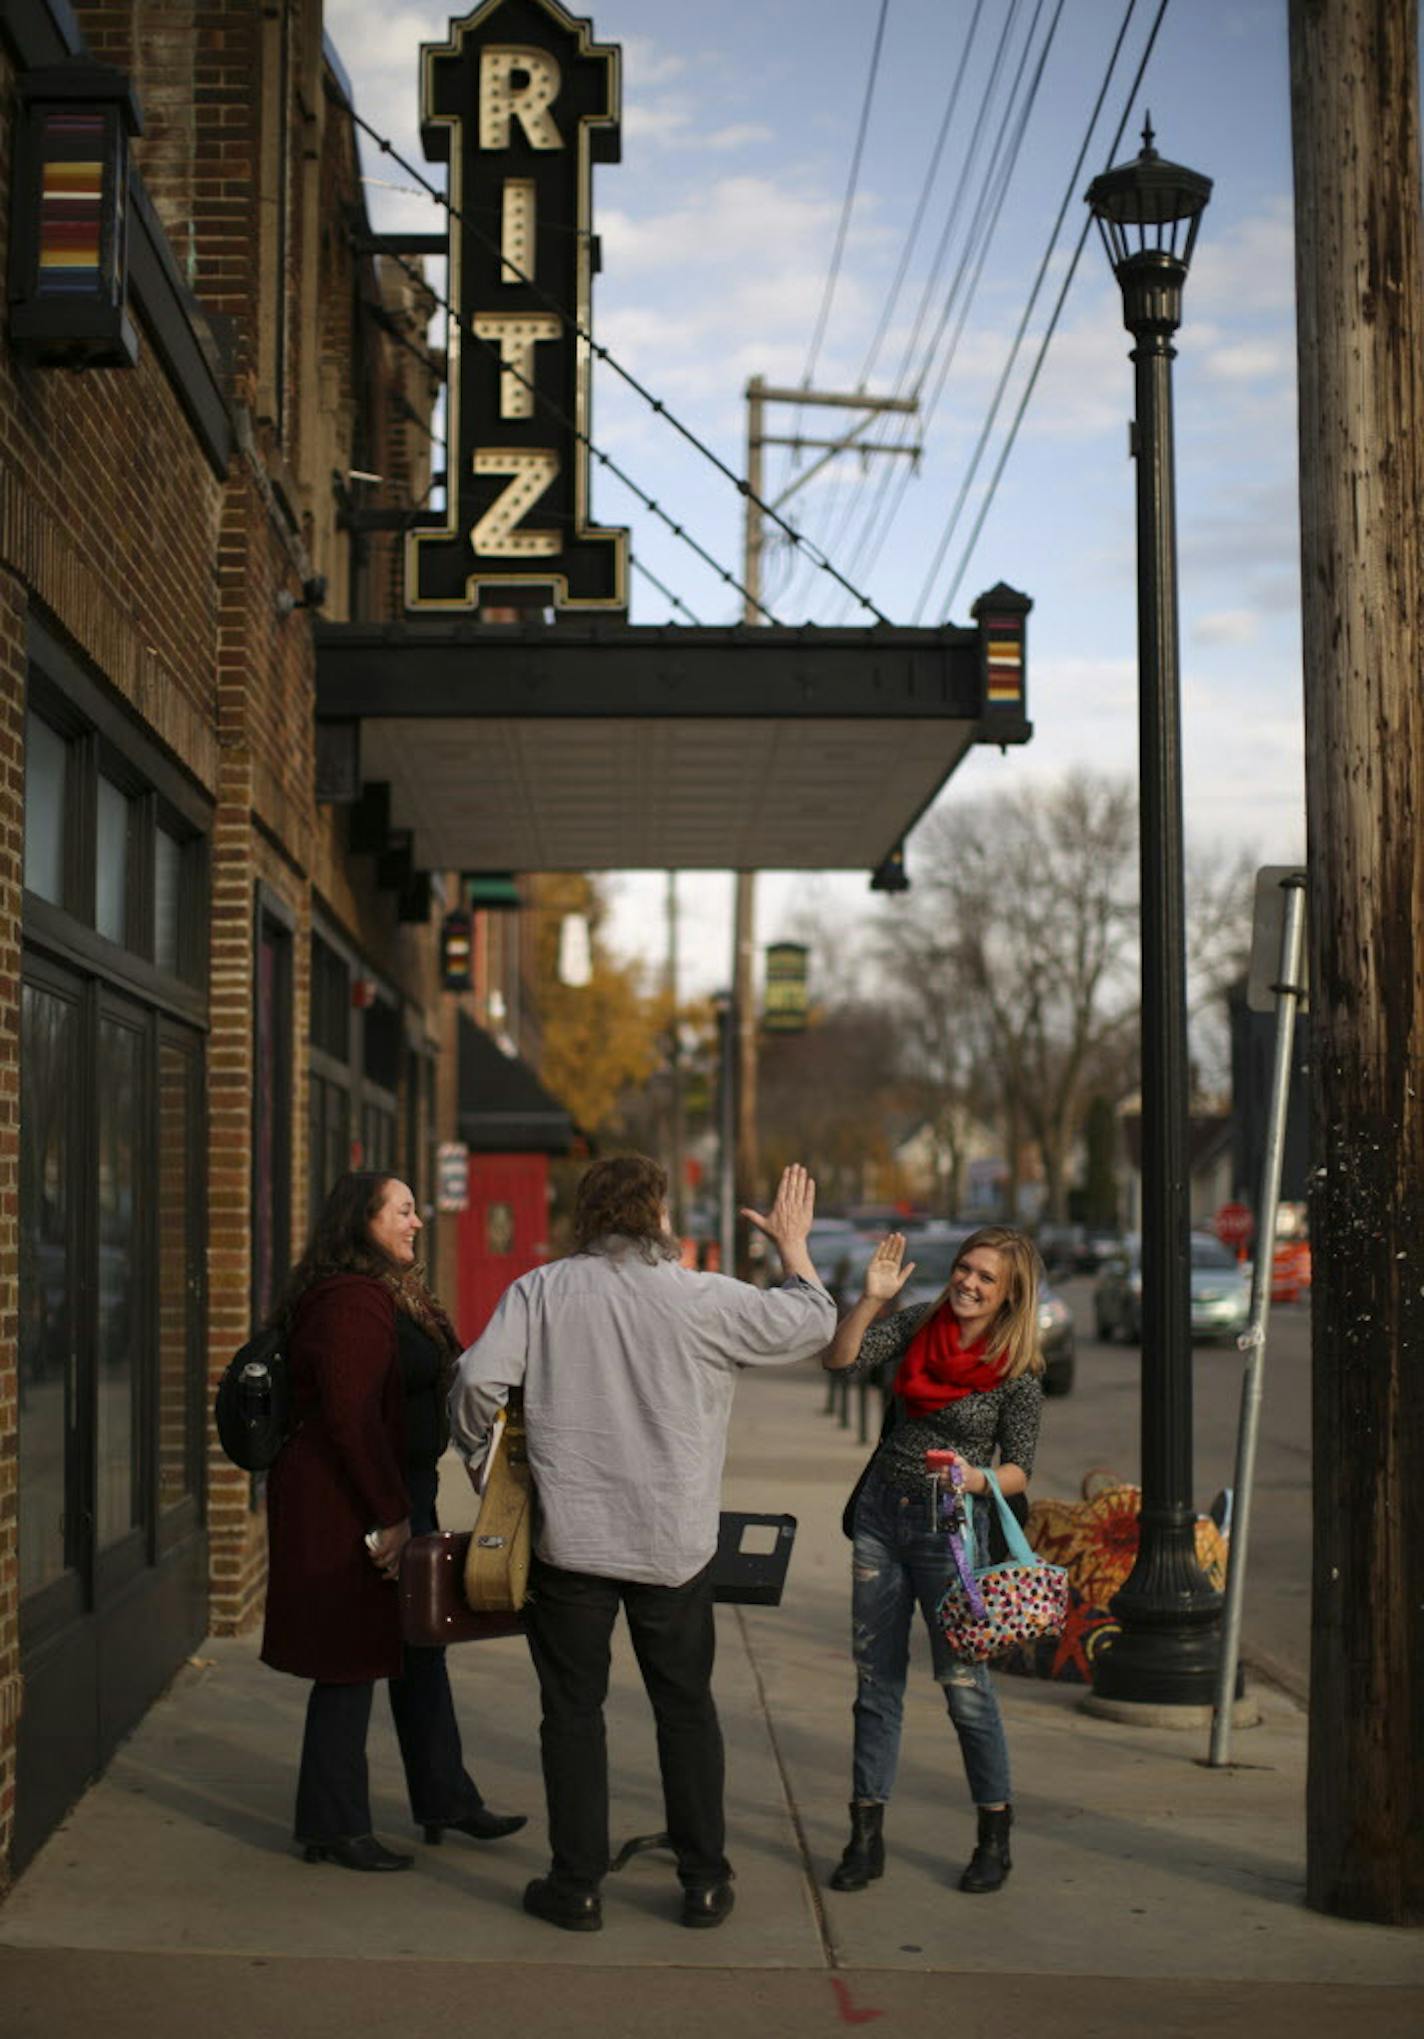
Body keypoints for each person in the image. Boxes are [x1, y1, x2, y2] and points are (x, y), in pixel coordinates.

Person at [449, 1156, 836, 1934]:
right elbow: (814, 1322)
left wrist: (482, 1462)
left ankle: (578, 1883)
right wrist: (794, 1247)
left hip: (574, 1543)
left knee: (572, 1714)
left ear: (587, 1216)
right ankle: (702, 1880)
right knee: (685, 1710)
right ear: (657, 1214)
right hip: (674, 1543)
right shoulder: (700, 1297)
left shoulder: (542, 1291)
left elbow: (475, 1382)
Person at [261, 1170, 527, 1871]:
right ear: (363, 1220)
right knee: (349, 1660)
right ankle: (332, 1824)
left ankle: (445, 1797)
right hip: (351, 1501)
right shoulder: (350, 1302)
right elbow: (350, 1420)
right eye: (402, 1210)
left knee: (419, 1648)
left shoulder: (394, 1294)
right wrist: (390, 1517)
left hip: (400, 1486)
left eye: (416, 1209)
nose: (416, 1221)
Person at [822, 1225, 1044, 1897]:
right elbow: (841, 1360)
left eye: (985, 1278)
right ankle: (865, 1835)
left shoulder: (1018, 1370)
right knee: (875, 1680)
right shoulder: (920, 1323)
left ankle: (994, 1834)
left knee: (963, 1684)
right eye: (964, 1269)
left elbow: (1018, 1469)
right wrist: (868, 1301)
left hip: (953, 1528)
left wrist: (975, 1479)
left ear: (1009, 1295)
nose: (968, 1284)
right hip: (881, 1517)